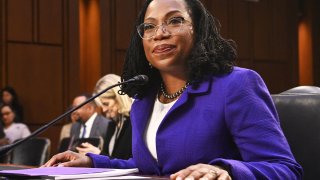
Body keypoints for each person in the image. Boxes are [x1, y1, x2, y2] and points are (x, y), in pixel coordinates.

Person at [43, 0, 303, 179]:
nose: (160, 33)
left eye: (175, 21)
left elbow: (284, 169)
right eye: (150, 26)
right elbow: (152, 167)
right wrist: (91, 162)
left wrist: (228, 170)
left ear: (199, 31)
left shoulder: (236, 85)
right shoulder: (143, 99)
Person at [76, 74, 133, 160]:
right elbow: (110, 158)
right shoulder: (112, 125)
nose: (104, 110)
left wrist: (98, 153)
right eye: (101, 106)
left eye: (106, 104)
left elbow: (128, 162)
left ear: (119, 98)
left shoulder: (133, 123)